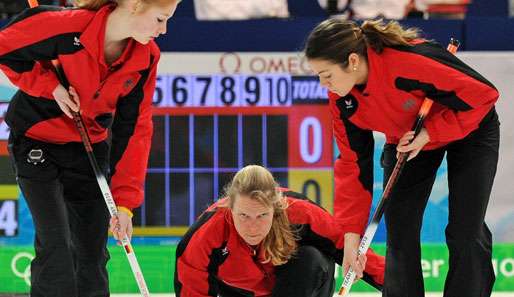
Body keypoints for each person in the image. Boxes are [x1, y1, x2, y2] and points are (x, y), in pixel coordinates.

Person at [304, 18, 499, 297]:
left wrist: (431, 132)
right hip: (408, 141)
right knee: (400, 232)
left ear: (352, 61)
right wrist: (350, 239)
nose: (324, 85)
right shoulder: (342, 100)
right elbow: (351, 166)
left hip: (470, 128)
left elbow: (484, 95)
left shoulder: (408, 62)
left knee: (465, 231)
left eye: (327, 75)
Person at [0, 0, 179, 296]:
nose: (164, 30)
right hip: (36, 140)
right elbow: (5, 49)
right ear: (135, 5)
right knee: (57, 244)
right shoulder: (64, 25)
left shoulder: (145, 58)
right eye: (160, 19)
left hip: (88, 150)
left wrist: (125, 205)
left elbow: (134, 129)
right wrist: (50, 86)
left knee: (91, 252)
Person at [175, 165, 385, 297]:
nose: (253, 227)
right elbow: (192, 291)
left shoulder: (300, 213)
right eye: (244, 216)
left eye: (262, 216)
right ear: (229, 209)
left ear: (275, 208)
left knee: (311, 258)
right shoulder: (206, 235)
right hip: (241, 293)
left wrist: (401, 288)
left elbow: (352, 249)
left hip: (301, 289)